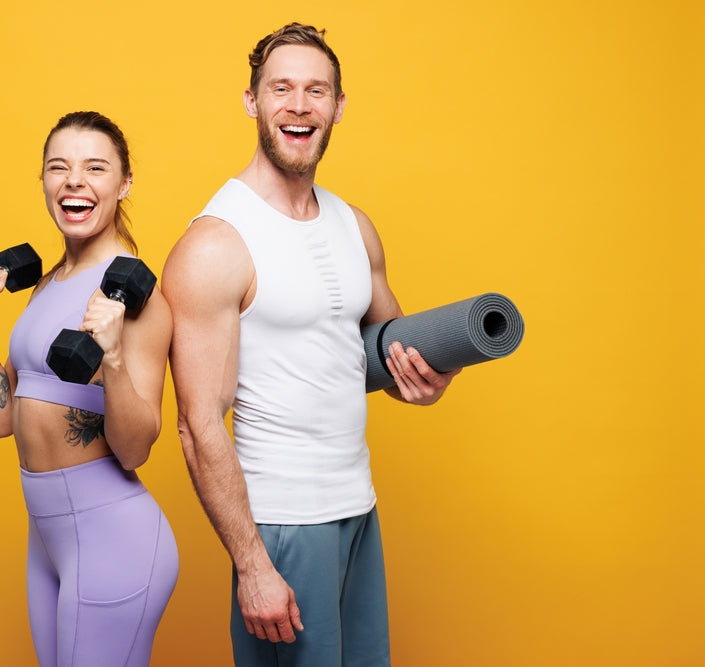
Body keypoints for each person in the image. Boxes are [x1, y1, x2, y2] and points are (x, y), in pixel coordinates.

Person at [162, 23, 460, 667]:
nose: (299, 105)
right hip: (281, 524)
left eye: (316, 91)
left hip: (358, 508)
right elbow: (196, 424)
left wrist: (432, 376)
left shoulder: (355, 226)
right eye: (282, 89)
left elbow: (391, 346)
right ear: (252, 101)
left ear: (338, 106)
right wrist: (252, 564)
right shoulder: (216, 244)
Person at [0, 111, 178, 667]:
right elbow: (2, 418)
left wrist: (116, 356)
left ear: (123, 184)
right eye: (59, 167)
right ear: (46, 183)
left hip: (112, 537)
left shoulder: (133, 295)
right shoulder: (49, 282)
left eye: (94, 168)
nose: (74, 180)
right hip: (47, 538)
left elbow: (135, 448)